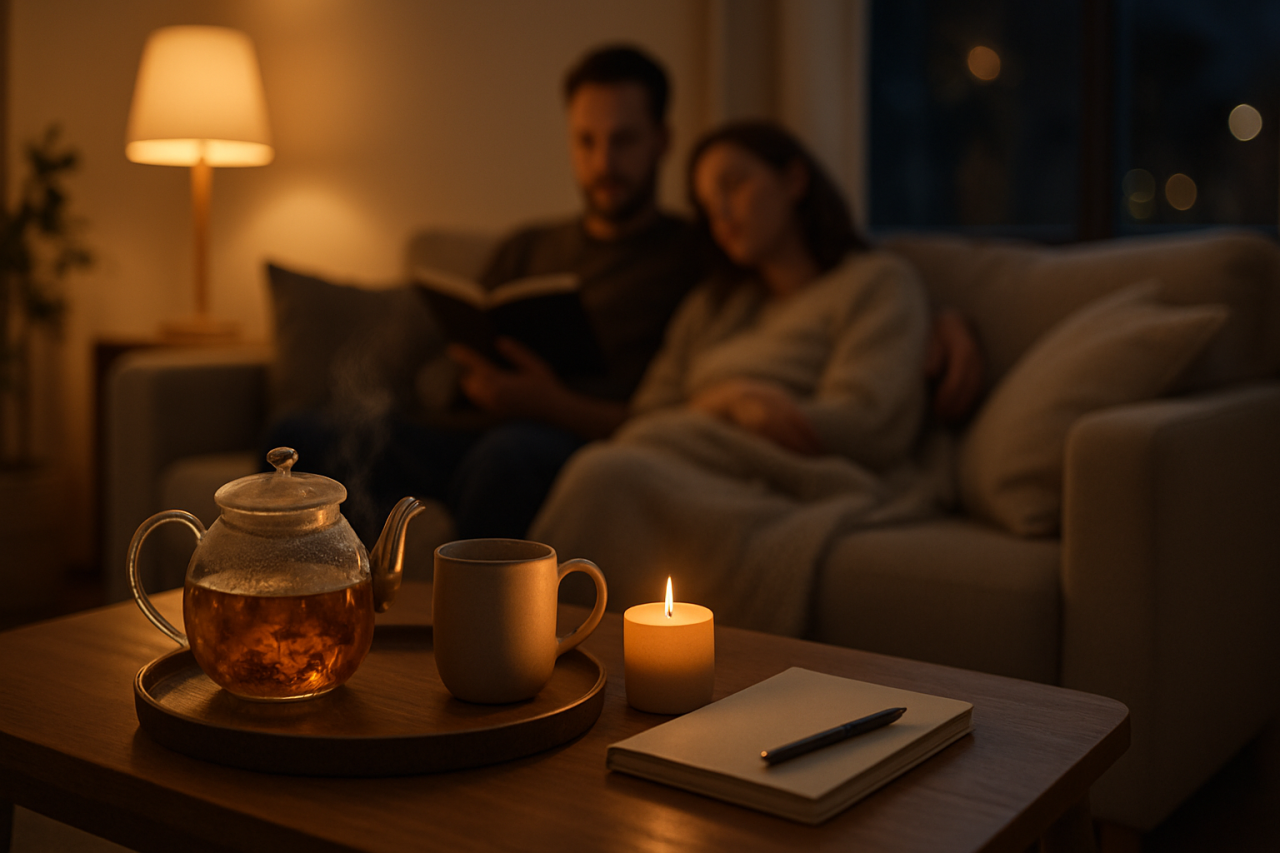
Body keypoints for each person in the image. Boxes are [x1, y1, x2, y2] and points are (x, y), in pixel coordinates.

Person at [530, 120, 959, 635]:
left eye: (734, 186)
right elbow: (646, 417)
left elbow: (870, 424)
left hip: (788, 474)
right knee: (604, 468)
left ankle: (542, 643)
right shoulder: (712, 306)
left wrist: (755, 414)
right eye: (709, 206)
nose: (723, 215)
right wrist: (727, 401)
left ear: (794, 180)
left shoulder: (875, 282)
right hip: (684, 459)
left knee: (605, 475)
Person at [266, 45, 703, 544]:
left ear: (663, 141)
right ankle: (345, 592)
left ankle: (471, 615)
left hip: (564, 441)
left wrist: (549, 402)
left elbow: (669, 416)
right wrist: (470, 373)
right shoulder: (528, 246)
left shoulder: (692, 257)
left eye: (623, 141)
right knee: (295, 439)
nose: (603, 162)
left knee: (504, 459)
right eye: (586, 141)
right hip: (460, 433)